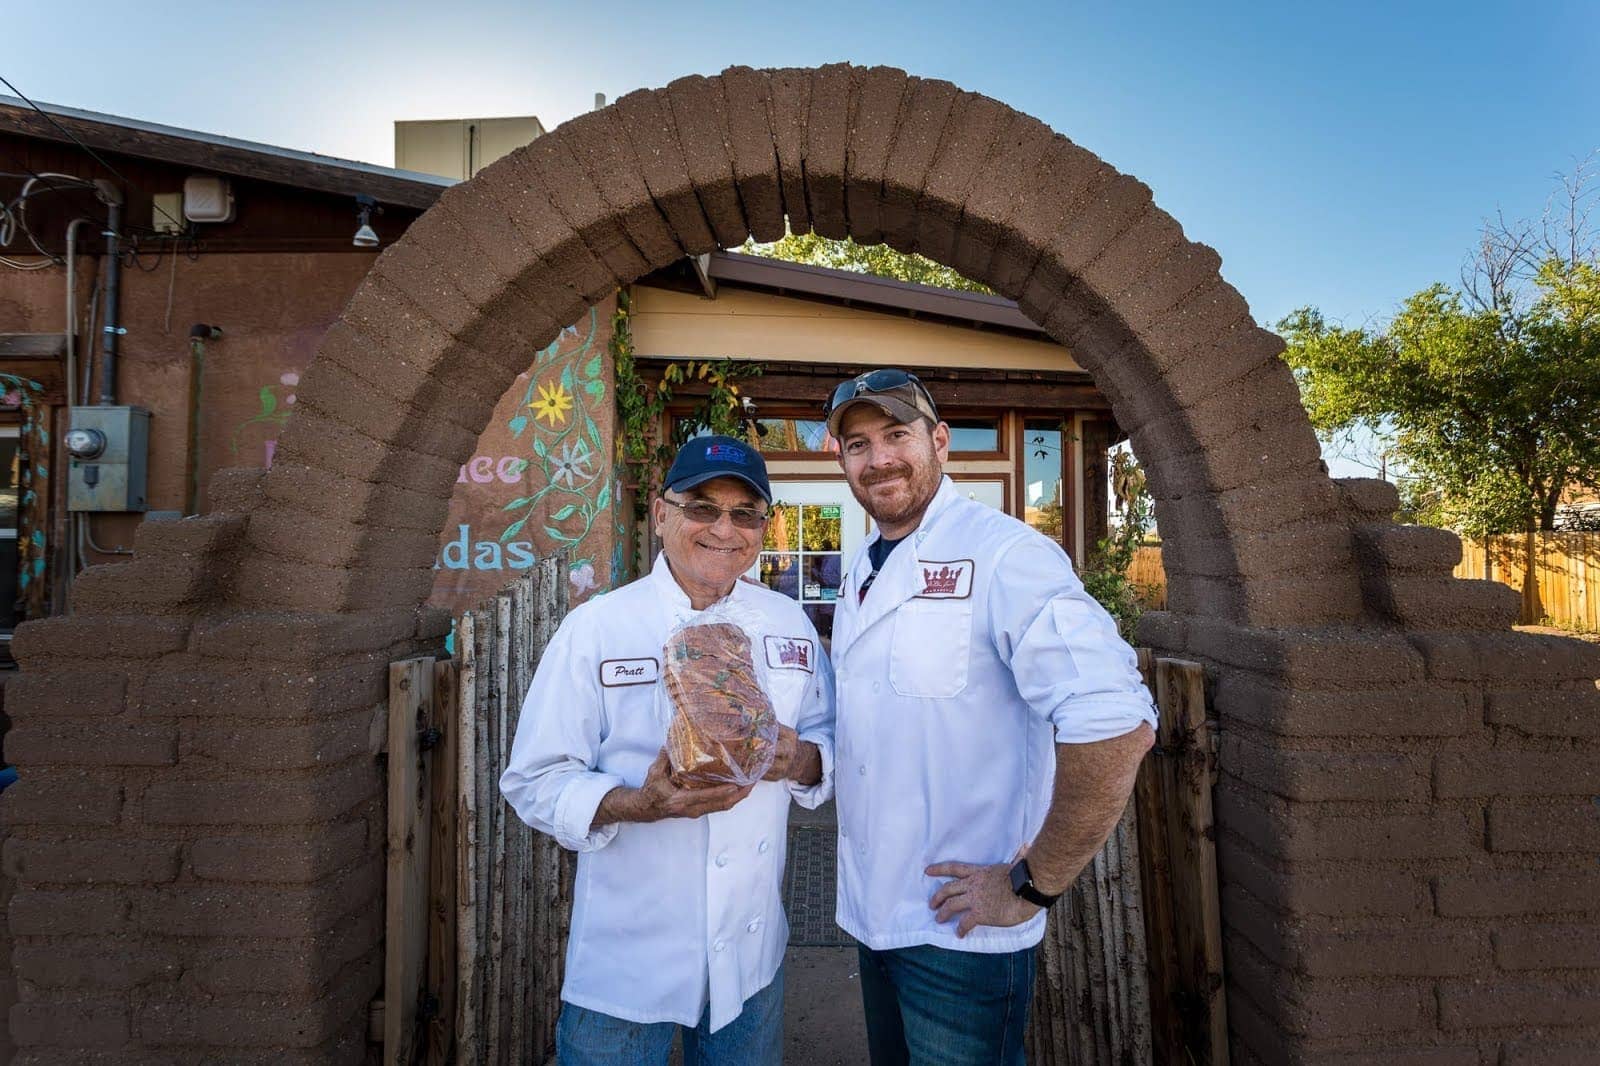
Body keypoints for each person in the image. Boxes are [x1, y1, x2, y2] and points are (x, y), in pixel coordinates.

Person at [823, 369, 1157, 1066]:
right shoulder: (862, 567)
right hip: (871, 915)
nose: (878, 457)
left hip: (961, 936)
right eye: (858, 444)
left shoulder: (1008, 554)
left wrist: (1035, 882)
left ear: (939, 441)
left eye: (896, 434)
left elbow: (1117, 722)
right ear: (839, 458)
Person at [500, 435, 835, 1066]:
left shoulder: (789, 625)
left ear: (763, 527)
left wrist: (799, 760)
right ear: (661, 515)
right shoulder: (598, 628)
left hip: (749, 955)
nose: (723, 529)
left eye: (744, 513)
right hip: (627, 962)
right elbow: (535, 780)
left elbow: (832, 744)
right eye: (702, 507)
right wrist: (638, 803)